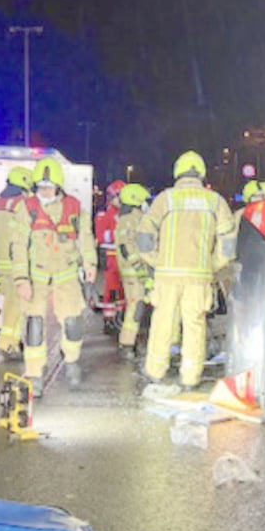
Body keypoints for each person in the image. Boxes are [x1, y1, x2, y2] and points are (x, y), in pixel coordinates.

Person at [136, 150, 236, 391]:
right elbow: (227, 244)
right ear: (201, 173)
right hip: (199, 277)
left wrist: (155, 261)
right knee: (195, 325)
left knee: (163, 323)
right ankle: (190, 377)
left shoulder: (166, 198)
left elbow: (145, 235)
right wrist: (210, 266)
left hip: (167, 275)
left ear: (177, 172)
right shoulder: (215, 201)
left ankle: (155, 372)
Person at [10, 157, 96, 395]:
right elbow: (18, 245)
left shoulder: (75, 207)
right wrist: (21, 279)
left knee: (73, 323)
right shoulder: (26, 208)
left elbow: (86, 238)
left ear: (58, 185)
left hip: (66, 275)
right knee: (34, 326)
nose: (43, 191)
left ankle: (71, 361)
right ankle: (35, 374)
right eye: (40, 187)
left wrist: (90, 263)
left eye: (48, 186)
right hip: (36, 277)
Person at [0, 166, 32, 361]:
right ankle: (7, 344)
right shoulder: (21, 204)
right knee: (16, 306)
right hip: (17, 262)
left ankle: (12, 342)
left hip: (1, 261)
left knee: (11, 303)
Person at [113, 183, 150, 361]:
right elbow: (126, 246)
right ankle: (127, 344)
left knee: (138, 306)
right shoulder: (129, 220)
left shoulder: (135, 218)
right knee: (136, 306)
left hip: (135, 271)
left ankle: (130, 342)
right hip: (133, 273)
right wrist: (140, 269)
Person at [94, 180, 126, 331]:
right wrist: (120, 234)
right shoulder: (104, 214)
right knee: (111, 289)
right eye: (118, 197)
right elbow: (101, 236)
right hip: (110, 256)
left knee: (122, 289)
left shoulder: (126, 213)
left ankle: (120, 316)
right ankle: (108, 319)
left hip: (123, 257)